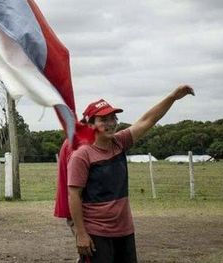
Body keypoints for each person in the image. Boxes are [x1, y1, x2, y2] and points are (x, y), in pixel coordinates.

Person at [68, 85, 194, 263]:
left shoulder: (120, 142)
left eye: (113, 118)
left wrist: (172, 97)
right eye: (103, 120)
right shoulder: (82, 155)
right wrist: (81, 234)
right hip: (97, 232)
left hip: (124, 230)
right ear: (90, 125)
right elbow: (74, 195)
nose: (111, 123)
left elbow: (147, 120)